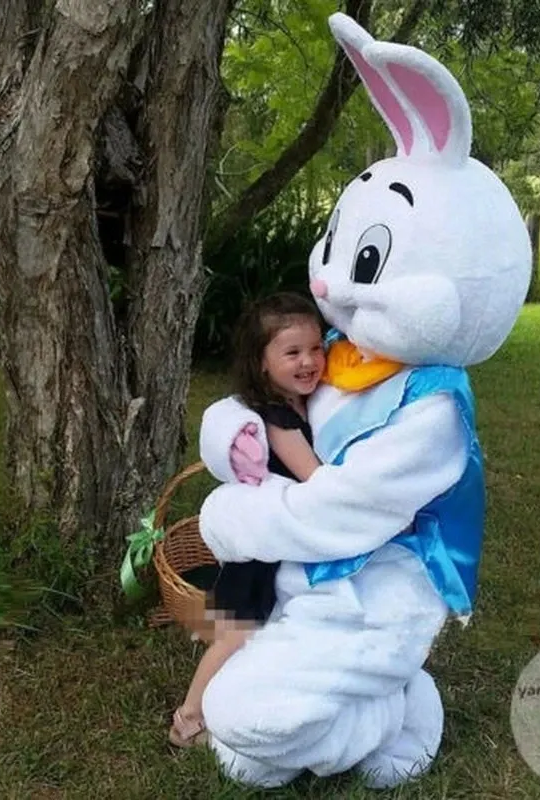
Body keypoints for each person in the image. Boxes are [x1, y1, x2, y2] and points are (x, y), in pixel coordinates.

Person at [169, 292, 326, 747]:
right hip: (260, 556)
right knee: (238, 635)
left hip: (278, 547)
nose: (309, 362)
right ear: (262, 363)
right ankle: (188, 717)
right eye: (292, 352)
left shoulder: (303, 401)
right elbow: (313, 477)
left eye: (316, 348)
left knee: (250, 635)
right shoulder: (278, 418)